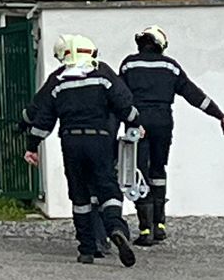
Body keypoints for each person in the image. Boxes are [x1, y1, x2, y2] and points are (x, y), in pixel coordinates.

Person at [23, 34, 139, 267]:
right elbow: (123, 102)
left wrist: (32, 146)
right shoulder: (103, 74)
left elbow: (44, 118)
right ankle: (115, 228)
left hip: (71, 141)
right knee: (107, 187)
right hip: (99, 139)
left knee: (79, 195)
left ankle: (86, 249)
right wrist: (135, 123)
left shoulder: (59, 81)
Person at [117, 26, 224, 246]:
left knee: (139, 172)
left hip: (138, 122)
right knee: (158, 170)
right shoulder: (170, 66)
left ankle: (145, 230)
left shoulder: (129, 64)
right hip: (163, 121)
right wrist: (219, 115)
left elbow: (119, 97)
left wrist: (122, 123)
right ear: (161, 45)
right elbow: (193, 94)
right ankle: (159, 225)